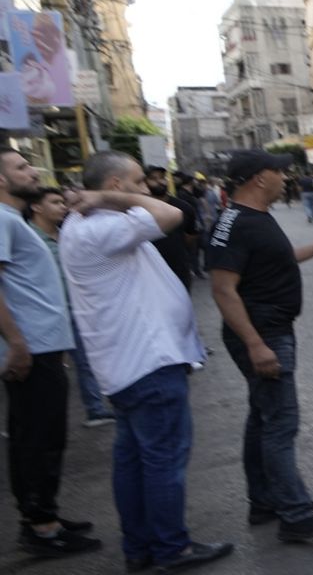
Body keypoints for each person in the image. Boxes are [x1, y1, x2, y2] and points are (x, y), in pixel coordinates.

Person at [60, 151, 233, 573]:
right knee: (162, 462)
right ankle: (172, 548)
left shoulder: (87, 226)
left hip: (130, 366)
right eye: (137, 182)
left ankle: (140, 548)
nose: (147, 188)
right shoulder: (100, 226)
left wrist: (104, 199)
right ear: (114, 186)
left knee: (136, 461)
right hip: (148, 365)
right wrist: (105, 198)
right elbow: (170, 213)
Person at [208, 150, 313, 543]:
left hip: (268, 329)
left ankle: (264, 501)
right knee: (281, 424)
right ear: (258, 178)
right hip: (264, 334)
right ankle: (295, 515)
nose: (286, 176)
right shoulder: (237, 223)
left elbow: (272, 263)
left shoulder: (248, 218)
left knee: (262, 419)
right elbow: (222, 289)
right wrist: (255, 344)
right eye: (279, 171)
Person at [0, 147, 101, 557]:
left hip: (42, 345)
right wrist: (19, 344)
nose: (33, 169)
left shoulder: (14, 220)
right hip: (30, 348)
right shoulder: (3, 220)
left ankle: (45, 516)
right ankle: (41, 527)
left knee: (42, 436)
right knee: (37, 439)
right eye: (22, 166)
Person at [24, 188, 113, 427]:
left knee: (86, 361)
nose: (63, 207)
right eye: (55, 202)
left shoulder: (67, 234)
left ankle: (95, 409)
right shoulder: (29, 237)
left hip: (75, 308)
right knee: (48, 371)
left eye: (63, 202)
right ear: (36, 207)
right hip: (46, 315)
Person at [145, 166, 198, 290]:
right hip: (151, 271)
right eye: (153, 178)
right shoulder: (139, 210)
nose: (160, 181)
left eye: (163, 177)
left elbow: (190, 236)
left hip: (179, 268)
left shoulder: (184, 207)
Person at [176, 174, 206, 279]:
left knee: (198, 247)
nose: (196, 182)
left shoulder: (191, 192)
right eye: (194, 181)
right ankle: (193, 270)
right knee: (193, 248)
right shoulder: (182, 194)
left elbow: (201, 193)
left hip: (196, 222)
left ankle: (197, 269)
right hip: (190, 224)